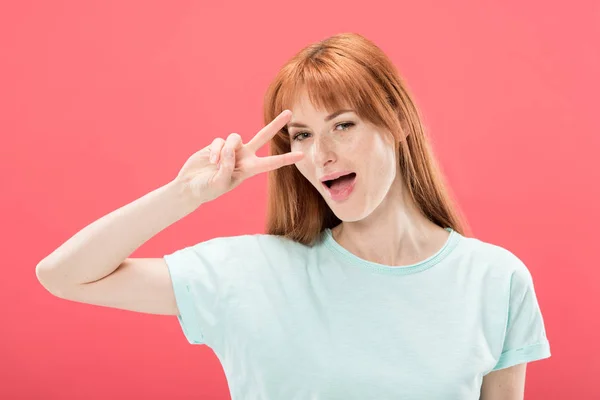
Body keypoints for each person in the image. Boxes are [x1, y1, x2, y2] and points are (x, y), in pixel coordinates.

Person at [35, 33, 551, 399]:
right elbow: (63, 275)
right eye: (302, 134)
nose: (321, 153)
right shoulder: (251, 272)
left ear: (396, 120)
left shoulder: (495, 279)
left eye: (342, 125)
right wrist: (184, 195)